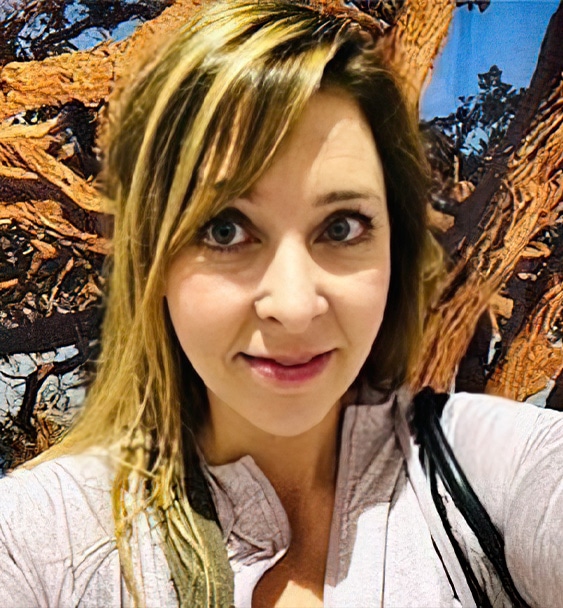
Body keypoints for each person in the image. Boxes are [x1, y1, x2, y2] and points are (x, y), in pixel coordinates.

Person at [0, 1, 562, 607]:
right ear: (152, 263)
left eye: (342, 227)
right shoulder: (46, 540)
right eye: (224, 230)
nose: (293, 307)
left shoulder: (491, 469)